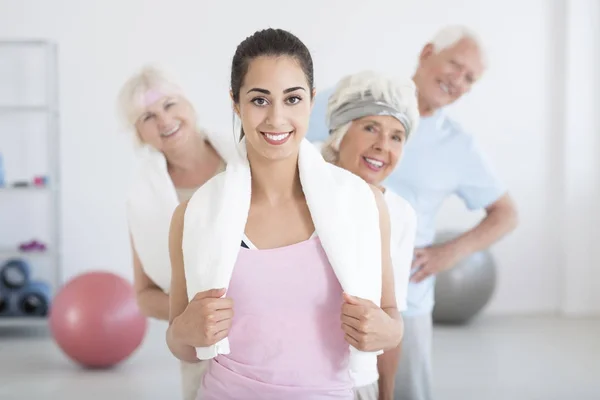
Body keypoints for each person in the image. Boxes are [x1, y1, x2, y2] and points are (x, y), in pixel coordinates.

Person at [166, 28, 403, 400]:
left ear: (310, 101)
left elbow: (390, 314)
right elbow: (180, 343)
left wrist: (387, 331)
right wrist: (185, 332)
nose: (277, 118)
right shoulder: (193, 216)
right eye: (260, 100)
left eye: (292, 99)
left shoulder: (364, 205)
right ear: (236, 103)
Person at [305, 25, 519, 400]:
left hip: (407, 299)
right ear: (426, 53)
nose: (459, 80)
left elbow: (506, 213)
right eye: (456, 65)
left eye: (470, 78)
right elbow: (284, 143)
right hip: (324, 285)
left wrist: (447, 253)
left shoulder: (458, 146)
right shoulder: (353, 96)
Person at [118, 66, 233, 400]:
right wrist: (193, 314)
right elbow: (145, 295)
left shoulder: (246, 160)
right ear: (139, 134)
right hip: (203, 350)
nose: (164, 120)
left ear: (189, 105)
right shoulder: (143, 202)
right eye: (147, 117)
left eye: (170, 104)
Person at [319, 70, 420, 399]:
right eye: (370, 128)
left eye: (396, 137)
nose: (382, 146)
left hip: (357, 380)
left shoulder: (400, 214)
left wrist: (386, 393)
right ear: (340, 133)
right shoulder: (301, 191)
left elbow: (390, 315)